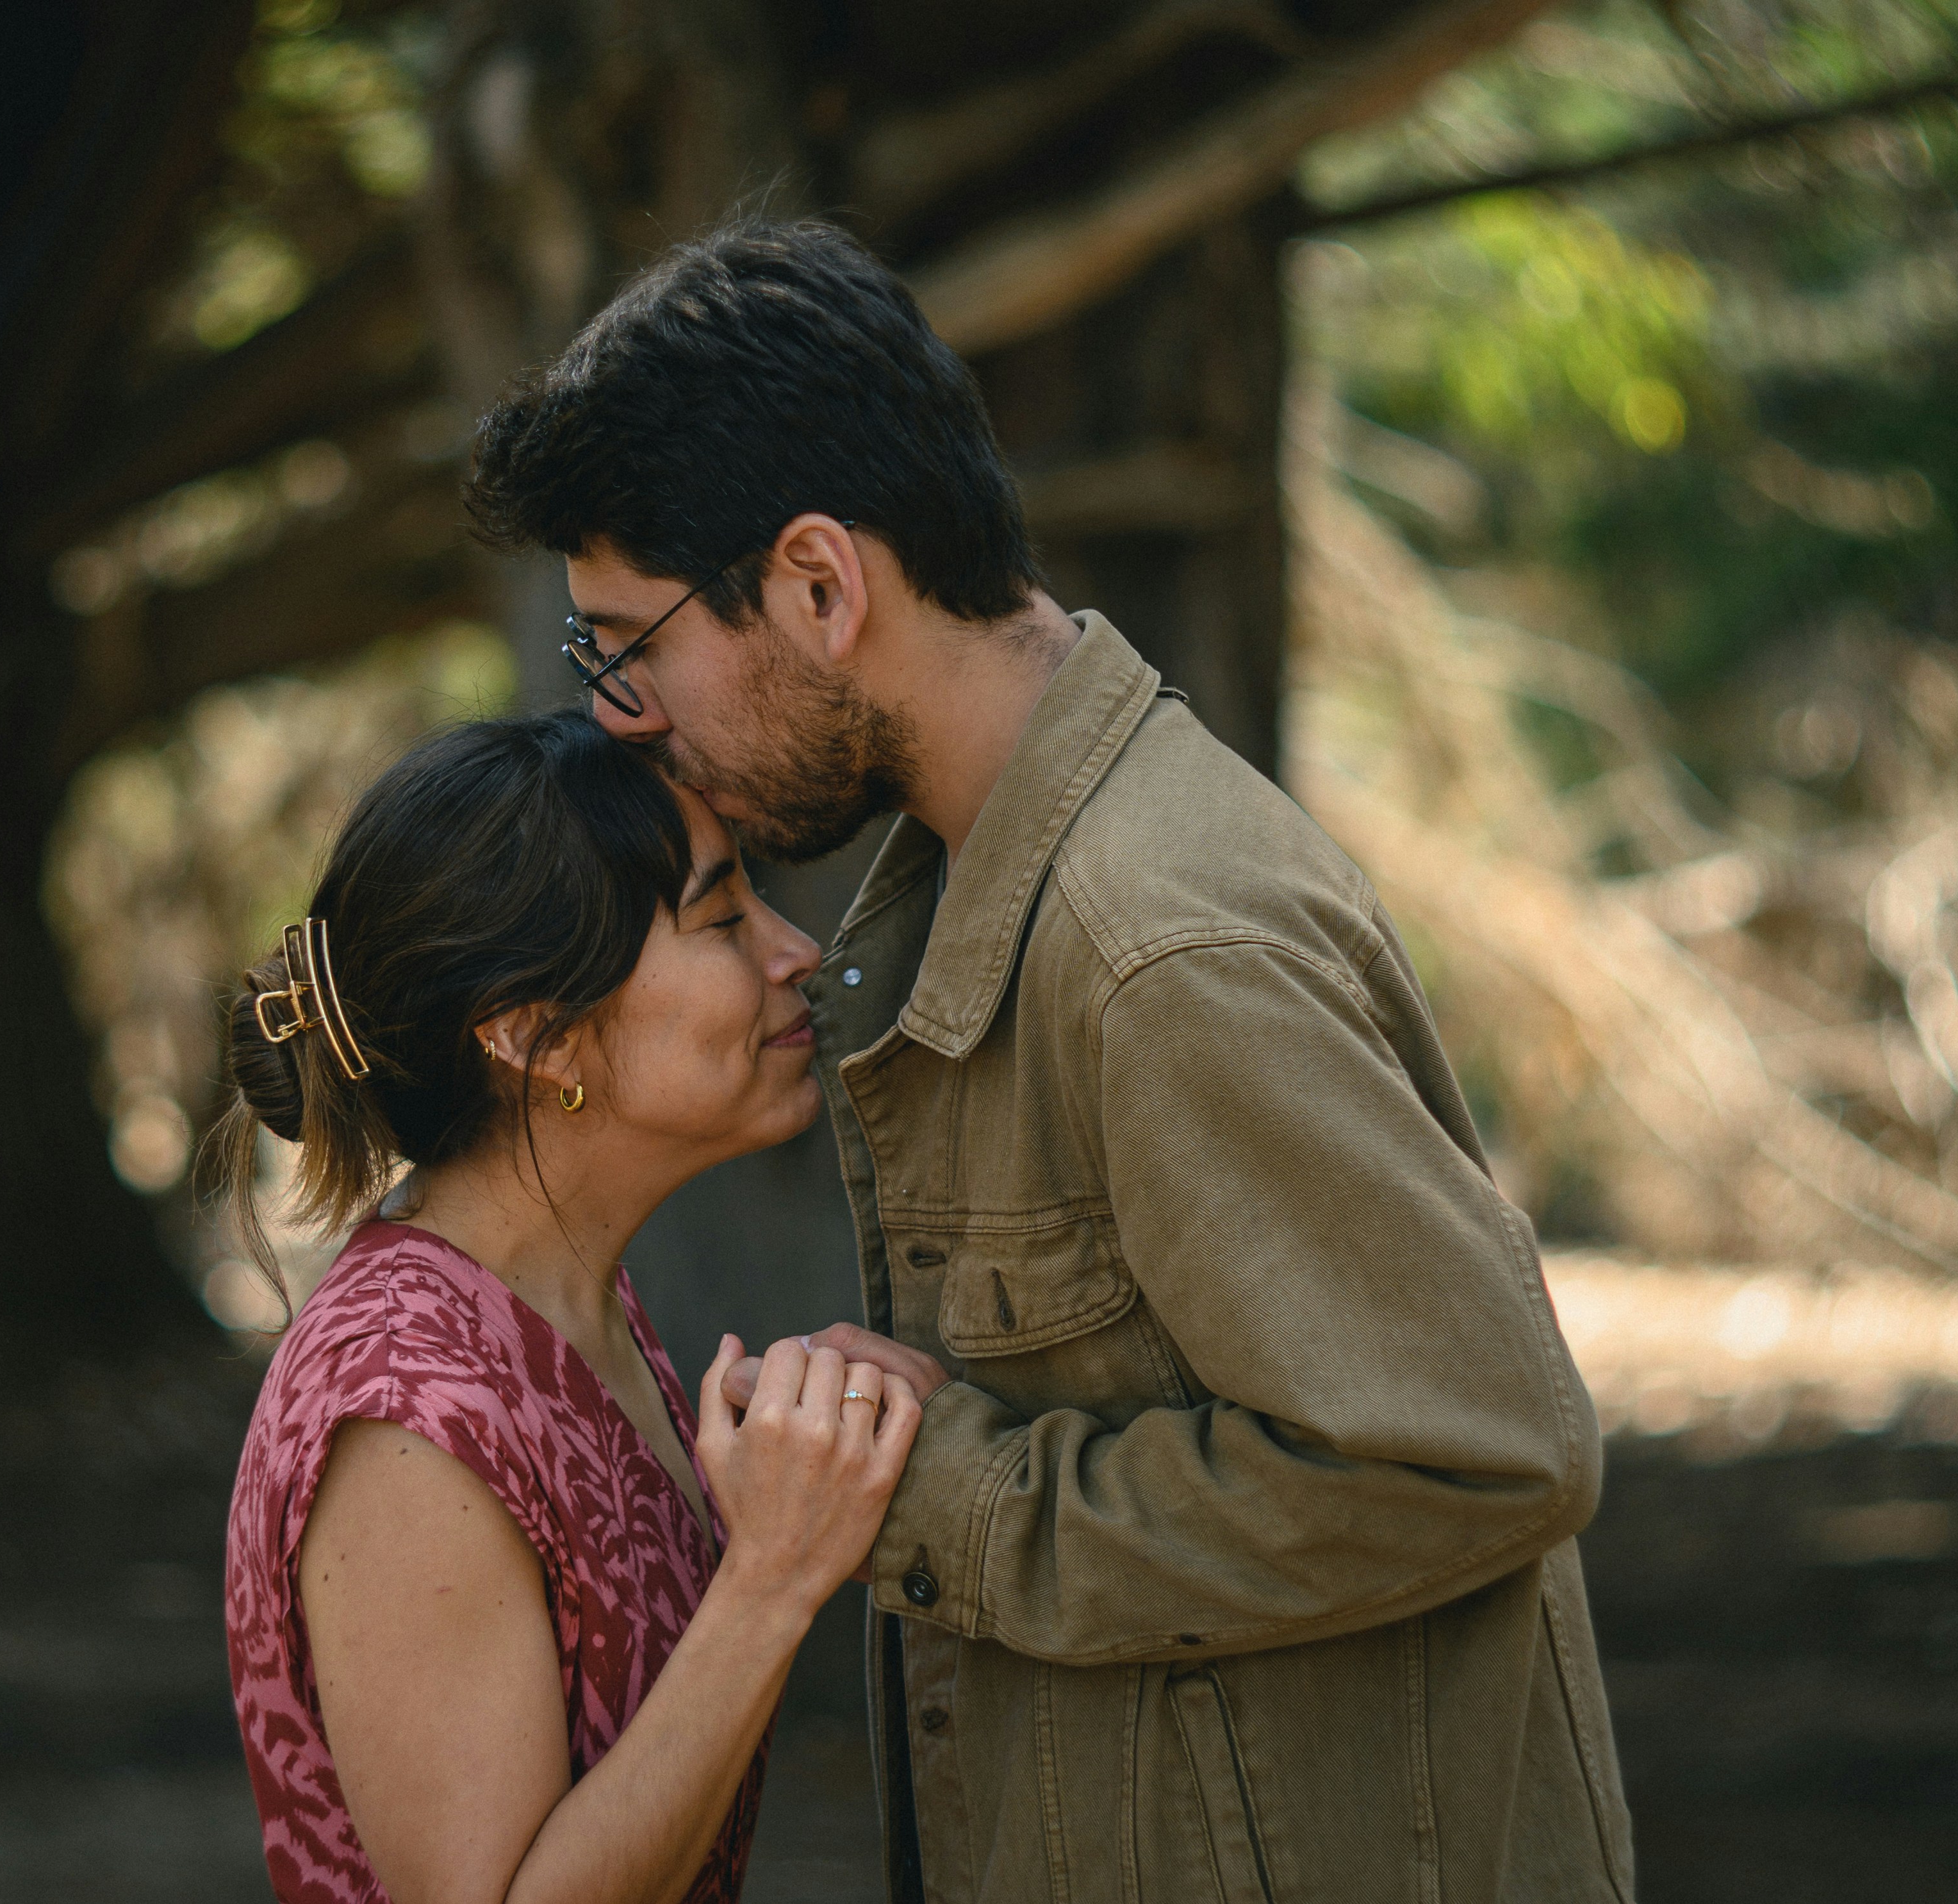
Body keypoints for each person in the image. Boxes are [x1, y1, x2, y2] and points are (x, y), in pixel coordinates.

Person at [465, 218, 1636, 1903]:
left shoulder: (1156, 940)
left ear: (817, 584)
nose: (621, 719)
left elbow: (1476, 1450)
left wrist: (926, 1490)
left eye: (628, 648)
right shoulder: (977, 885)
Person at [208, 711, 925, 1904]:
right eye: (720, 918)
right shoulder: (405, 1416)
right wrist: (774, 1575)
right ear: (534, 1035)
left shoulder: (550, 1306)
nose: (795, 951)